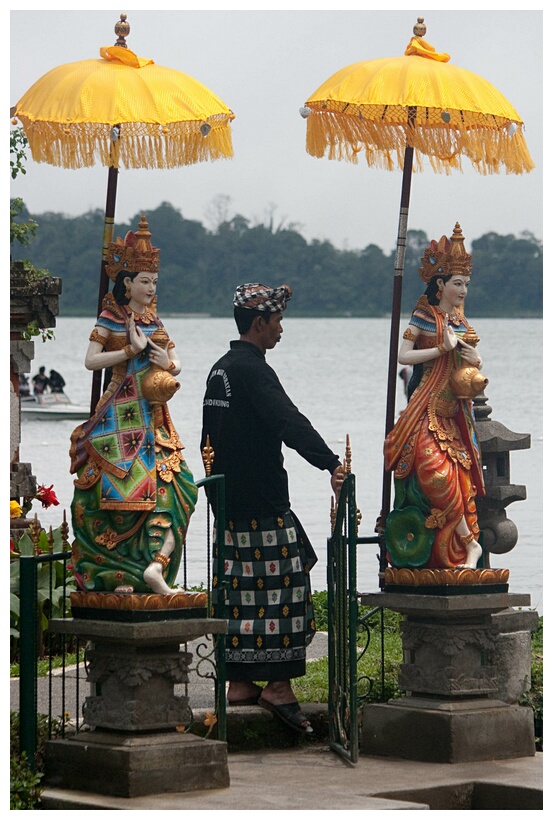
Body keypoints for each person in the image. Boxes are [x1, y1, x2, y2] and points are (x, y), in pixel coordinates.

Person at [201, 282, 344, 734]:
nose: (281, 329)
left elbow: (209, 442)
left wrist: (215, 500)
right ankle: (278, 687)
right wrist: (331, 464)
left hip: (225, 504)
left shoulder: (219, 371)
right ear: (259, 323)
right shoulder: (252, 371)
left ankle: (240, 681)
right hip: (263, 504)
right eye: (277, 321)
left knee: (240, 595)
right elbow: (288, 421)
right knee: (289, 589)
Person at [69, 215, 197, 594]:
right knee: (120, 490)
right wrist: (128, 350)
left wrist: (167, 364)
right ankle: (118, 571)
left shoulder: (154, 318)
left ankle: (155, 565)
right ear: (127, 283)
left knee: (181, 487)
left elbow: (176, 359)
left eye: (154, 282)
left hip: (154, 414)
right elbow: (91, 361)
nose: (150, 287)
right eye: (144, 281)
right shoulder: (111, 317)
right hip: (118, 416)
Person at [384, 223, 485, 571]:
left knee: (462, 476)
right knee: (434, 472)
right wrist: (439, 350)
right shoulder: (424, 315)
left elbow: (469, 363)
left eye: (466, 284)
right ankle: (467, 544)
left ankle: (468, 545)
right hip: (425, 407)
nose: (463, 290)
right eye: (457, 284)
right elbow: (403, 356)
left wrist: (475, 360)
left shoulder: (461, 321)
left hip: (453, 411)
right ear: (440, 285)